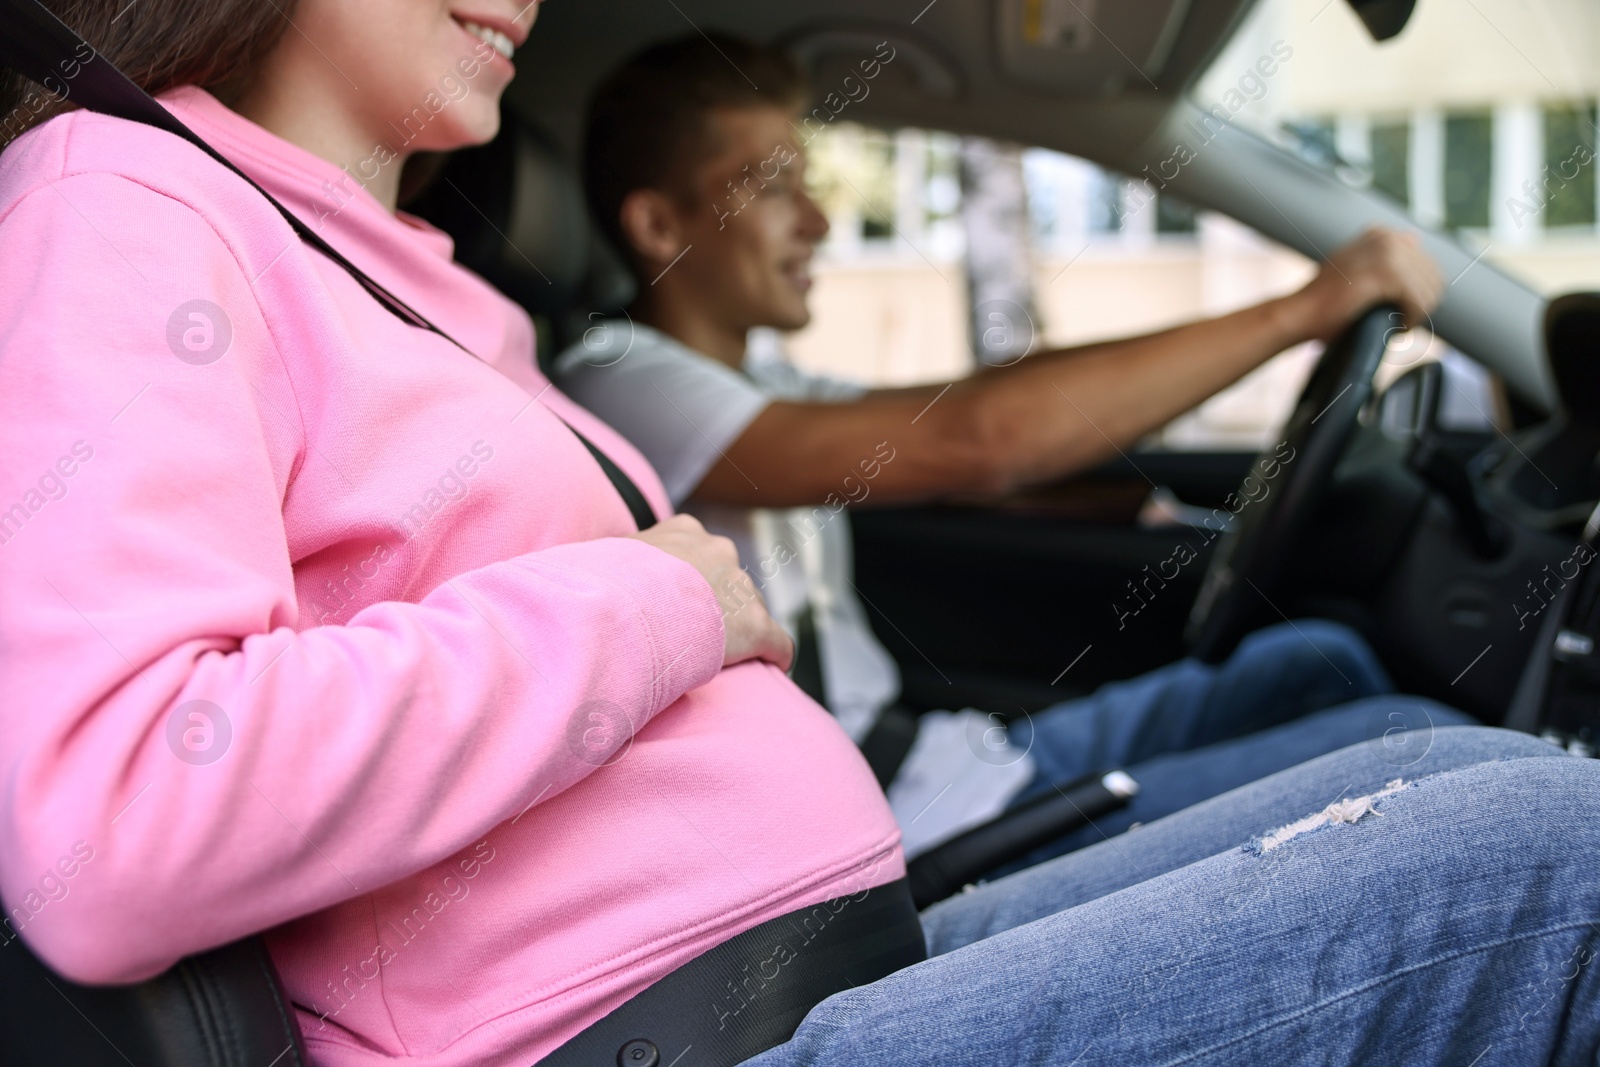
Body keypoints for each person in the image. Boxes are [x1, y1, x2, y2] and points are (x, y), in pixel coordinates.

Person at [0, 5, 1594, 1067]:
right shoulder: (125, 203)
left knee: (1473, 782)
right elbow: (120, 811)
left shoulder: (411, 286)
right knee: (1555, 862)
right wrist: (653, 604)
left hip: (807, 951)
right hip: (664, 1027)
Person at [552, 35, 1452, 861]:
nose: (820, 222)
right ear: (660, 228)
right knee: (1413, 754)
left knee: (1315, 661)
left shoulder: (766, 384)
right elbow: (976, 441)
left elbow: (981, 403)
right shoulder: (617, 380)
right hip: (897, 834)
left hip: (943, 759)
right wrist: (1301, 312)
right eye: (772, 186)